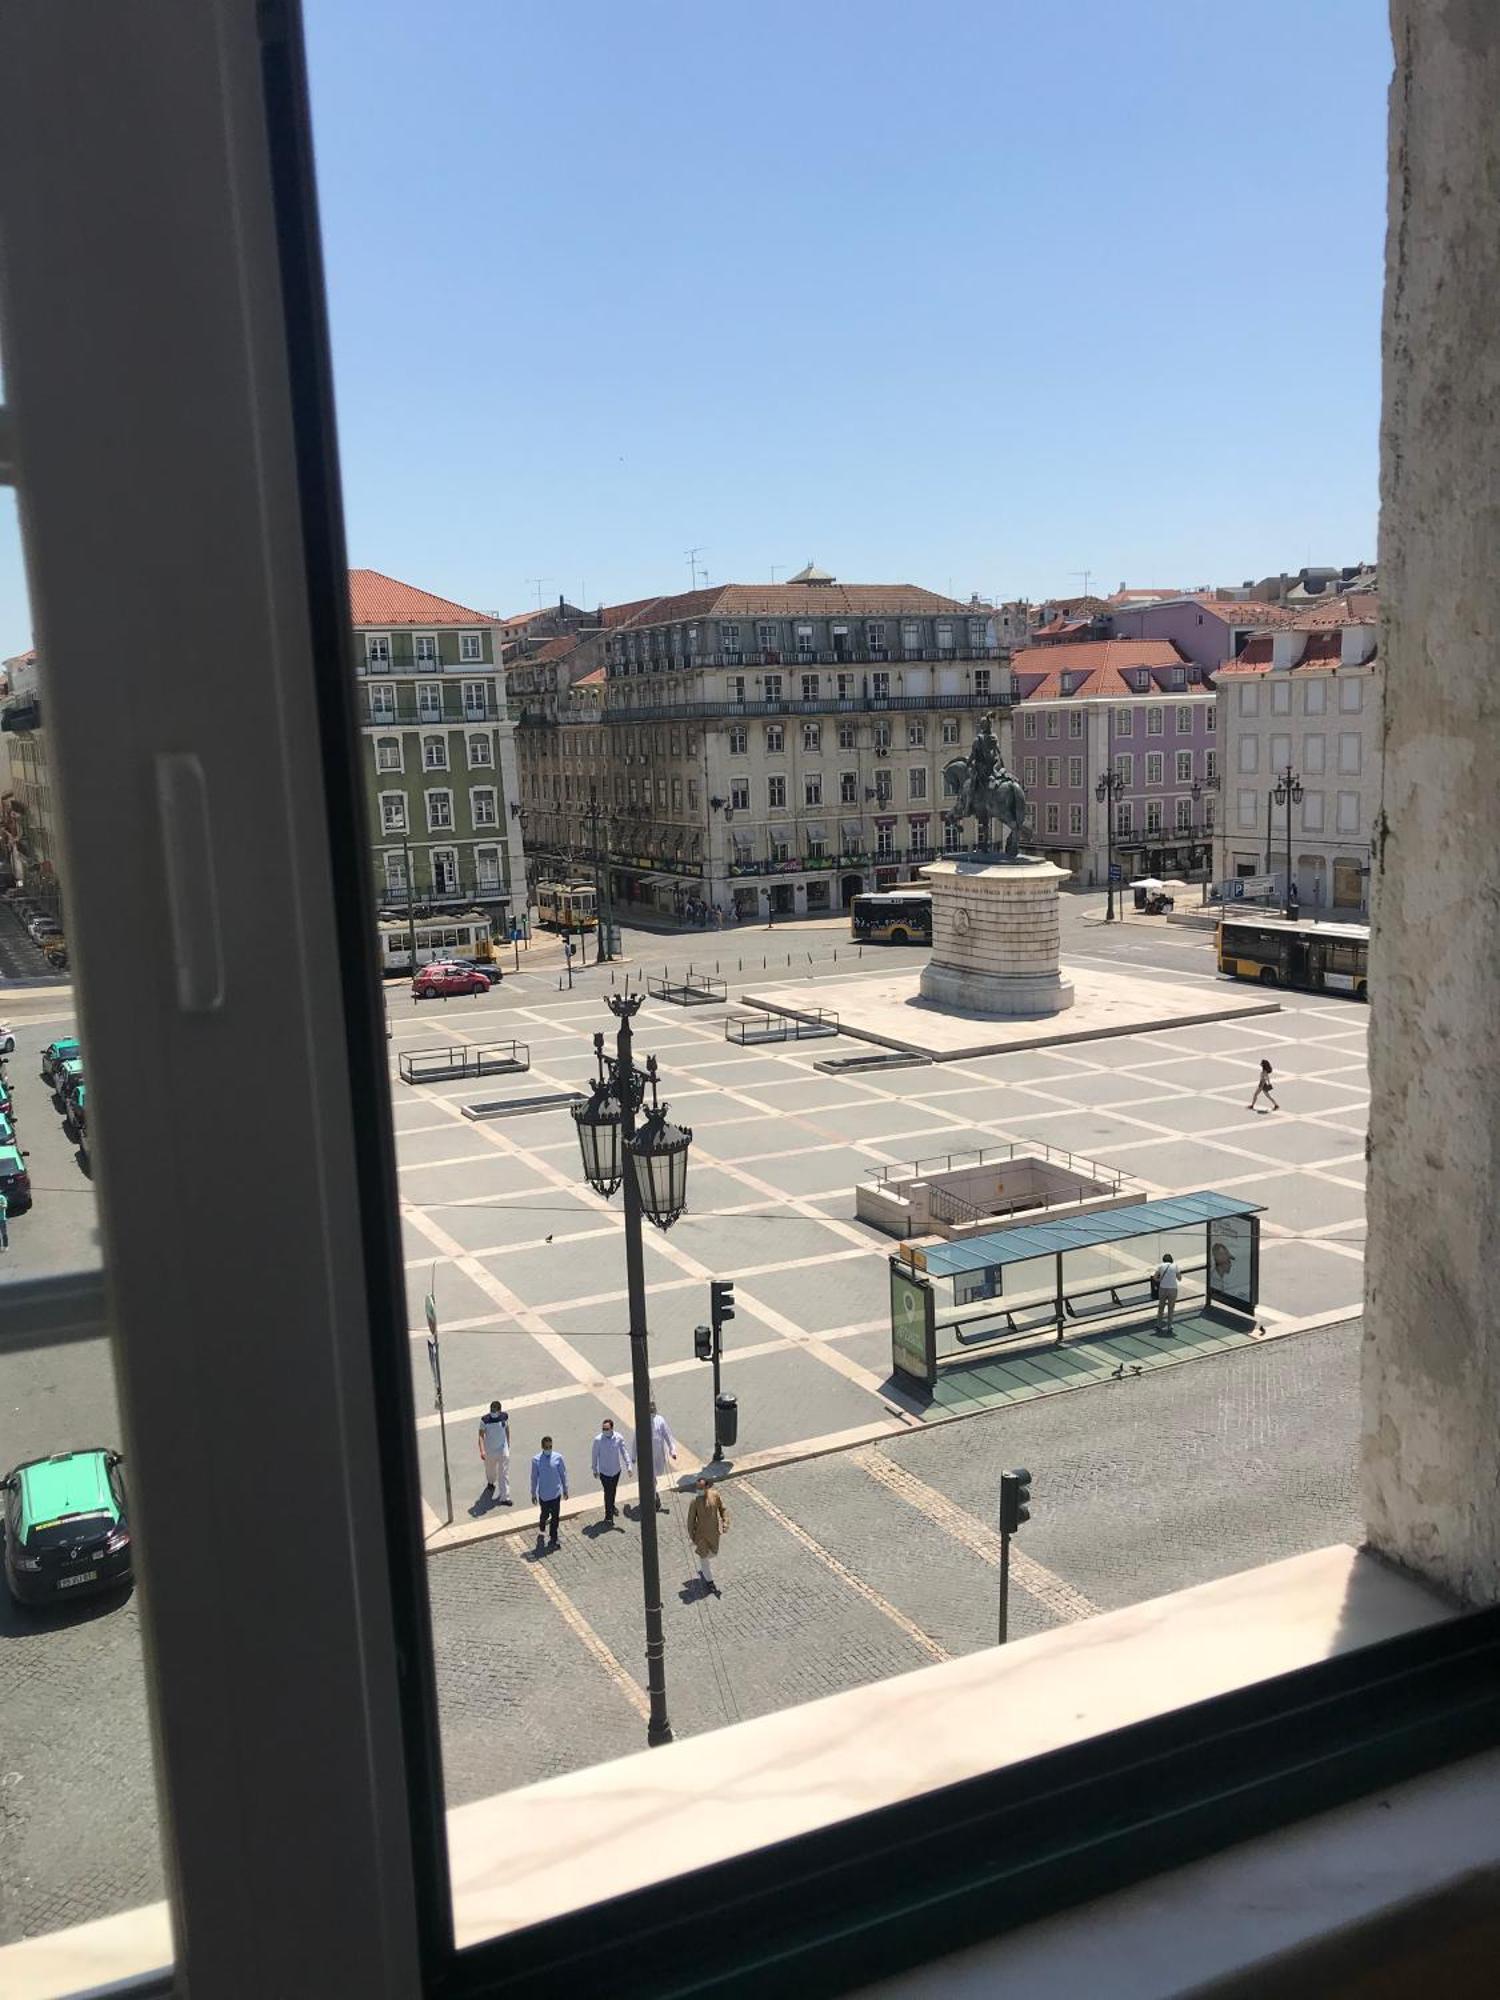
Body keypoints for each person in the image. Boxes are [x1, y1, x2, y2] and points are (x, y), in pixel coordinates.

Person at [686, 1476, 728, 1595]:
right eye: (697, 1487)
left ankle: (704, 1571)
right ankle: (710, 1582)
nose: (698, 1489)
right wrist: (693, 1537)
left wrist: (725, 1522)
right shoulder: (694, 1502)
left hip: (714, 1533)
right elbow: (690, 1521)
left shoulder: (715, 1496)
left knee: (713, 1554)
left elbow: (723, 1509)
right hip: (701, 1537)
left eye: (700, 1487)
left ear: (707, 1487)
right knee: (704, 1558)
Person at [590, 1417, 632, 1526]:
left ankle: (612, 1506)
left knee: (612, 1491)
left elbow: (624, 1452)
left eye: (607, 1429)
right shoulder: (598, 1440)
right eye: (603, 1429)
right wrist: (594, 1469)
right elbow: (594, 1455)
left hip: (616, 1471)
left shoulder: (618, 1437)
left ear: (612, 1428)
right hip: (604, 1472)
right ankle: (608, 1515)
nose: (605, 1431)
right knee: (607, 1492)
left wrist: (629, 1466)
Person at [530, 1435, 568, 1548]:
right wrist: (533, 1493)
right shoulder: (536, 1460)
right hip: (544, 1495)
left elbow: (563, 1474)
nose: (548, 1449)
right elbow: (534, 1477)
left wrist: (565, 1489)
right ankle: (542, 1526)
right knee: (545, 1515)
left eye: (550, 1446)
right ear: (542, 1447)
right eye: (546, 1447)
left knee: (555, 1518)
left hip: (556, 1494)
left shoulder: (558, 1457)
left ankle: (553, 1538)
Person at [477, 1399, 510, 1504]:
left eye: (495, 1410)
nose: (494, 1412)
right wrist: (482, 1450)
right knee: (490, 1470)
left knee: (503, 1473)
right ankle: (491, 1483)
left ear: (500, 1410)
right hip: (489, 1450)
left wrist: (508, 1444)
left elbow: (507, 1429)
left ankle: (505, 1497)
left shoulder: (504, 1417)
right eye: (492, 1410)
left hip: (502, 1450)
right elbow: (481, 1436)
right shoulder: (485, 1420)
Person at [648, 1400, 677, 1513]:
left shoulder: (660, 1420)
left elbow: (667, 1435)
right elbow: (636, 1440)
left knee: (655, 1474)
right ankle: (655, 1498)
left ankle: (654, 1495)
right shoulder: (642, 1421)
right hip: (647, 1454)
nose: (652, 1411)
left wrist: (672, 1450)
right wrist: (634, 1456)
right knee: (651, 1477)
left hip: (659, 1453)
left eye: (653, 1409)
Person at [1154, 1250, 1180, 1334]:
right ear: (1171, 1260)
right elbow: (1179, 1278)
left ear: (1163, 1260)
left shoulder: (1161, 1266)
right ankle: (1169, 1326)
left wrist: (1159, 1280)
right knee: (1171, 1308)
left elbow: (1155, 1277)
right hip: (1173, 1289)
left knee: (1161, 1307)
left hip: (1163, 1288)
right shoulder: (1175, 1266)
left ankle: (1158, 1324)